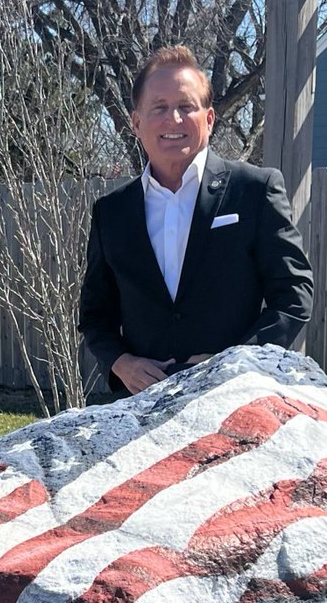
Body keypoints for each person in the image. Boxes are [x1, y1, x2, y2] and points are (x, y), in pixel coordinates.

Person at [78, 45, 314, 396]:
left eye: (186, 107)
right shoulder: (111, 212)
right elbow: (96, 313)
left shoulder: (254, 190)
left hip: (235, 397)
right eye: (159, 107)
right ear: (136, 122)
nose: (173, 119)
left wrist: (235, 362)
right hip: (142, 404)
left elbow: (295, 295)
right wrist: (121, 362)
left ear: (208, 119)